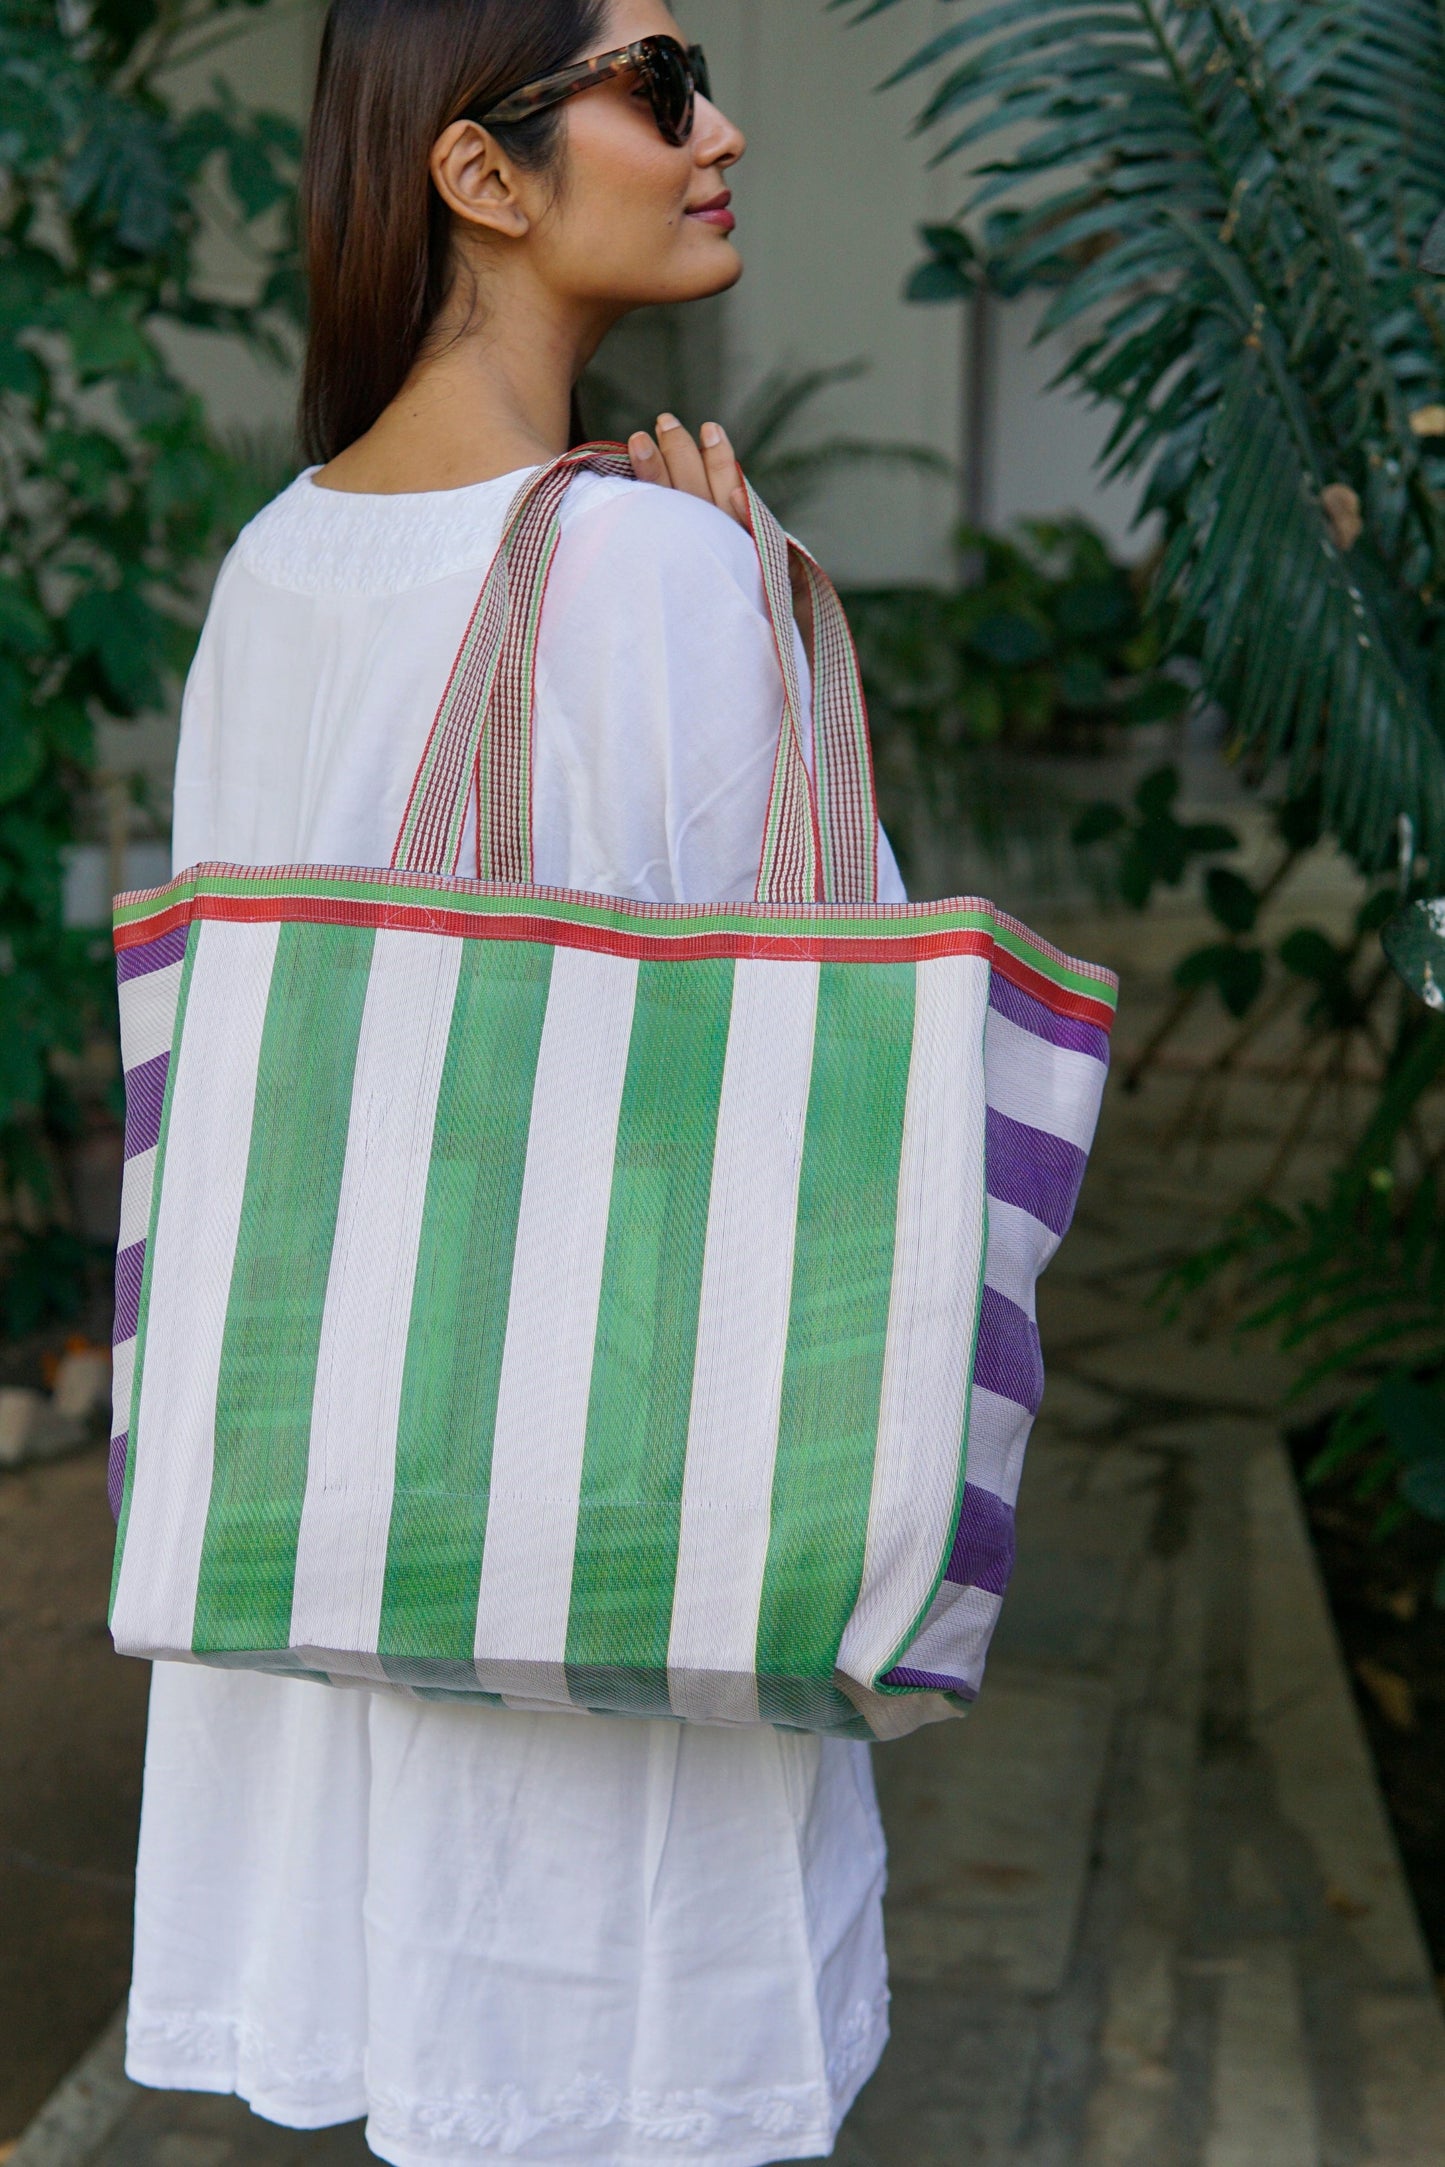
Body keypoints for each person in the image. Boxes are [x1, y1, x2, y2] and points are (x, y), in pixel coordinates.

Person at [125, 2, 907, 2160]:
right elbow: (832, 1048)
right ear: (482, 175)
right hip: (620, 1580)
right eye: (662, 89)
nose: (718, 128)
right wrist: (748, 593)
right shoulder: (659, 573)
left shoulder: (268, 573)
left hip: (342, 1559)